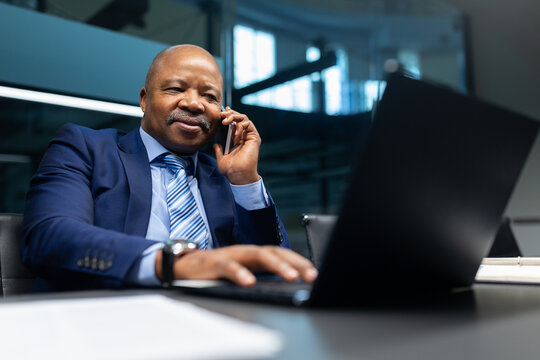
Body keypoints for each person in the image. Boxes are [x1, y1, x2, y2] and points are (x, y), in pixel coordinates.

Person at [21, 44, 317, 292]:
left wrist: (245, 182)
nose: (194, 103)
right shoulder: (86, 148)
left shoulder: (225, 178)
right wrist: (172, 263)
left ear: (224, 114)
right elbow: (49, 237)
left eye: (210, 96)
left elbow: (276, 267)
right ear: (144, 99)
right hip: (102, 323)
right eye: (176, 88)